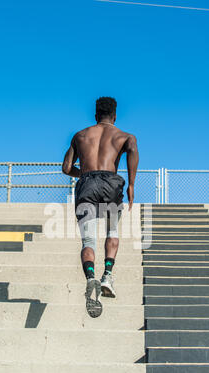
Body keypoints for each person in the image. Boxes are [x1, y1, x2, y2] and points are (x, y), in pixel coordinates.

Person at [62, 97, 139, 317]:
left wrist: (85, 174)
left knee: (88, 240)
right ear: (114, 116)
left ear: (95, 116)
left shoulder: (80, 136)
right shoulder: (125, 136)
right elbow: (132, 149)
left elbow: (67, 168)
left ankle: (90, 278)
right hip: (111, 183)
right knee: (112, 231)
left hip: (86, 184)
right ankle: (107, 275)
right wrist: (131, 184)